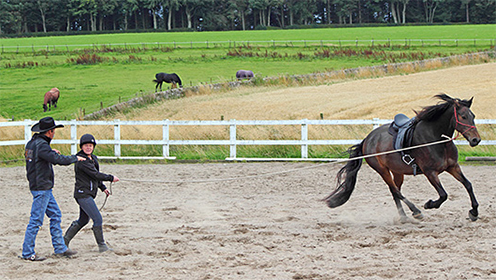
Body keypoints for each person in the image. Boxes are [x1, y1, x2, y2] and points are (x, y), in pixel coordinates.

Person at [22, 117, 86, 261]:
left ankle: (60, 248)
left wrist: (50, 152)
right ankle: (27, 252)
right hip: (42, 187)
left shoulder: (32, 144)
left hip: (38, 186)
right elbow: (58, 160)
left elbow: (36, 158)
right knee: (36, 220)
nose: (54, 133)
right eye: (54, 131)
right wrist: (75, 158)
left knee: (55, 215)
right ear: (49, 132)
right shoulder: (42, 146)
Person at [63, 134, 119, 253]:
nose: (88, 147)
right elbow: (95, 174)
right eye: (86, 145)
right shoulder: (81, 160)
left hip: (88, 193)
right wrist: (110, 177)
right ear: (82, 147)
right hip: (83, 194)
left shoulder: (93, 158)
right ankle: (102, 246)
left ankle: (64, 241)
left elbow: (94, 176)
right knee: (97, 218)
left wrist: (103, 187)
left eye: (90, 145)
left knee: (83, 220)